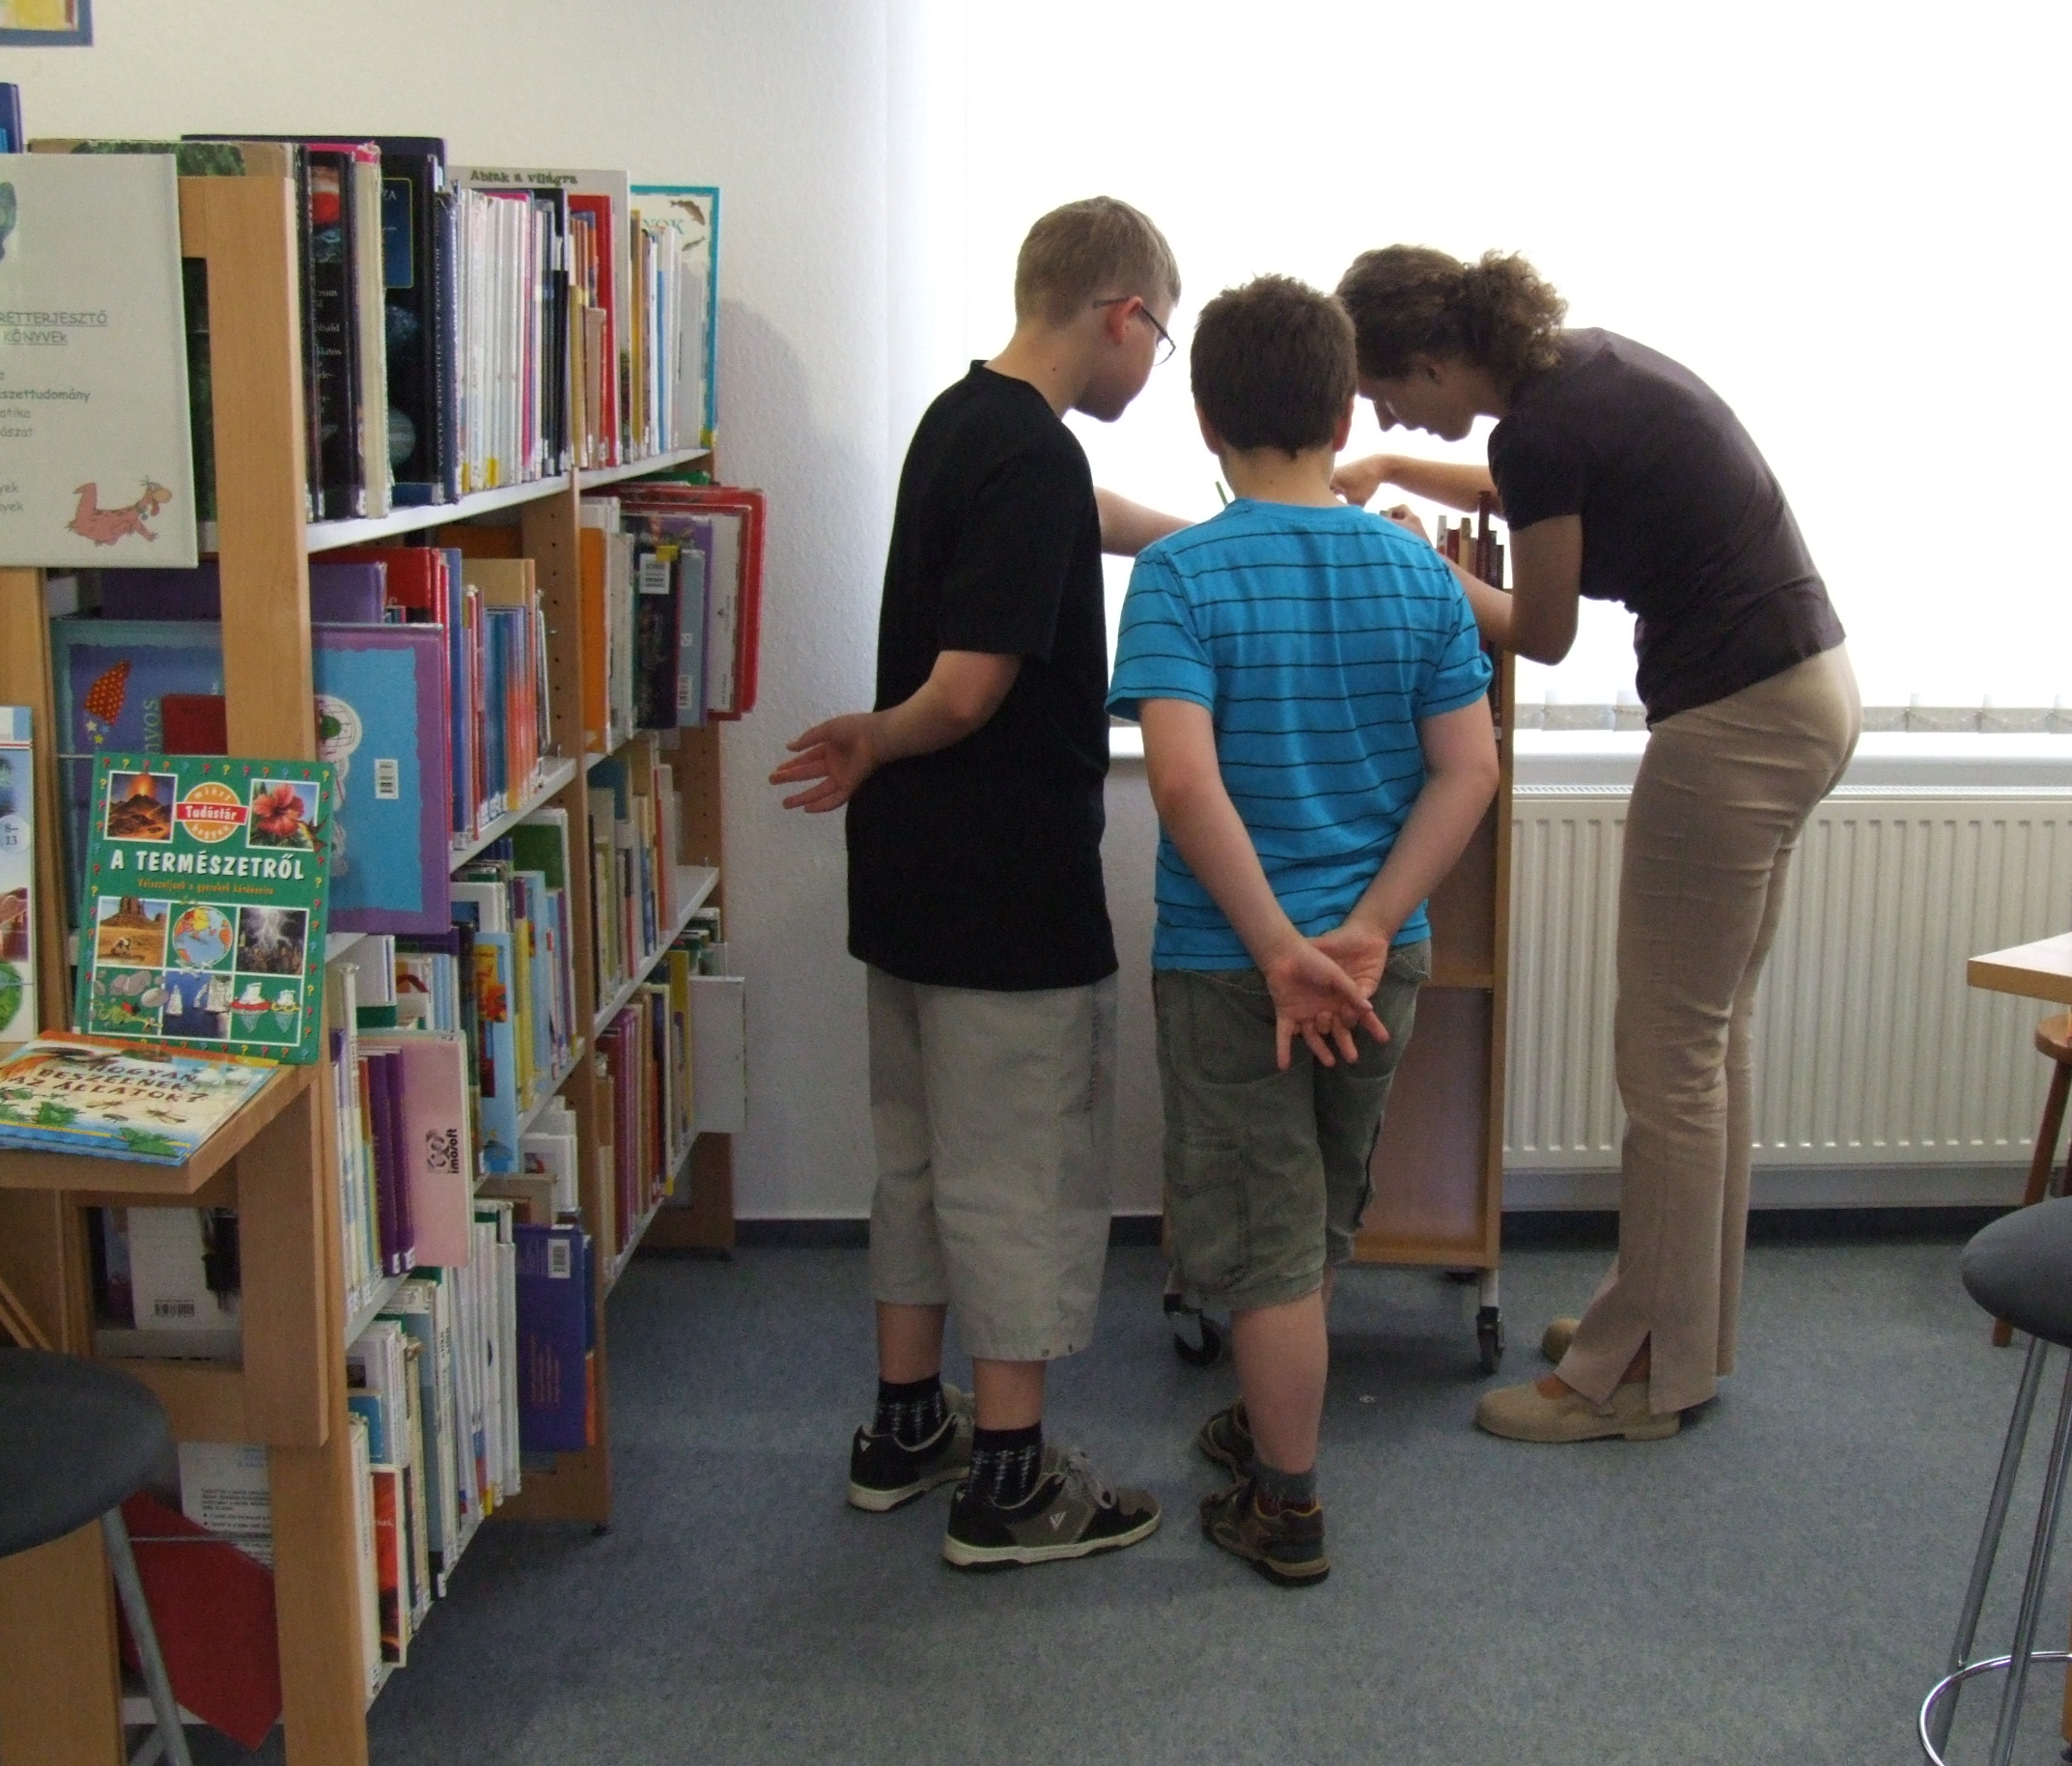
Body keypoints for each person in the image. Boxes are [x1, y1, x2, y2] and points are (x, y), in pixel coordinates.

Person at [1332, 245, 1860, 1445]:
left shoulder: (1541, 430)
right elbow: (1533, 492)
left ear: (1431, 359)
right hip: (1808, 692)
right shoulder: (1577, 371)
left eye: (1385, 396)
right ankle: (1677, 1331)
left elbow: (1543, 629)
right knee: (1708, 1045)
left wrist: (1406, 558)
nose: (1386, 415)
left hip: (1736, 724)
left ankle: (1629, 1382)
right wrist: (1393, 472)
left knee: (1666, 1058)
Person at [770, 197, 1188, 1569]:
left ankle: (905, 1429)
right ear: (1123, 314)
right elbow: (964, 691)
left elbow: (1078, 519)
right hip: (1009, 888)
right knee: (1021, 1178)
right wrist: (876, 735)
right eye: (1162, 339)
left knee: (918, 1163)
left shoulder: (966, 420)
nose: (1155, 364)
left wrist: (1201, 536)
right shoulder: (1035, 454)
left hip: (911, 879)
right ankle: (1011, 1485)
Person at [1107, 275, 1501, 1584]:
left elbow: (1182, 785)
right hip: (1381, 961)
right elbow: (1469, 772)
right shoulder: (1420, 572)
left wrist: (1281, 950)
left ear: (1206, 421)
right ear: (1343, 417)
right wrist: (1370, 928)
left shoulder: (1179, 574)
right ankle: (1273, 1416)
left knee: (1267, 1238)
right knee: (1319, 1210)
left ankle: (1285, 1504)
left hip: (1235, 965)